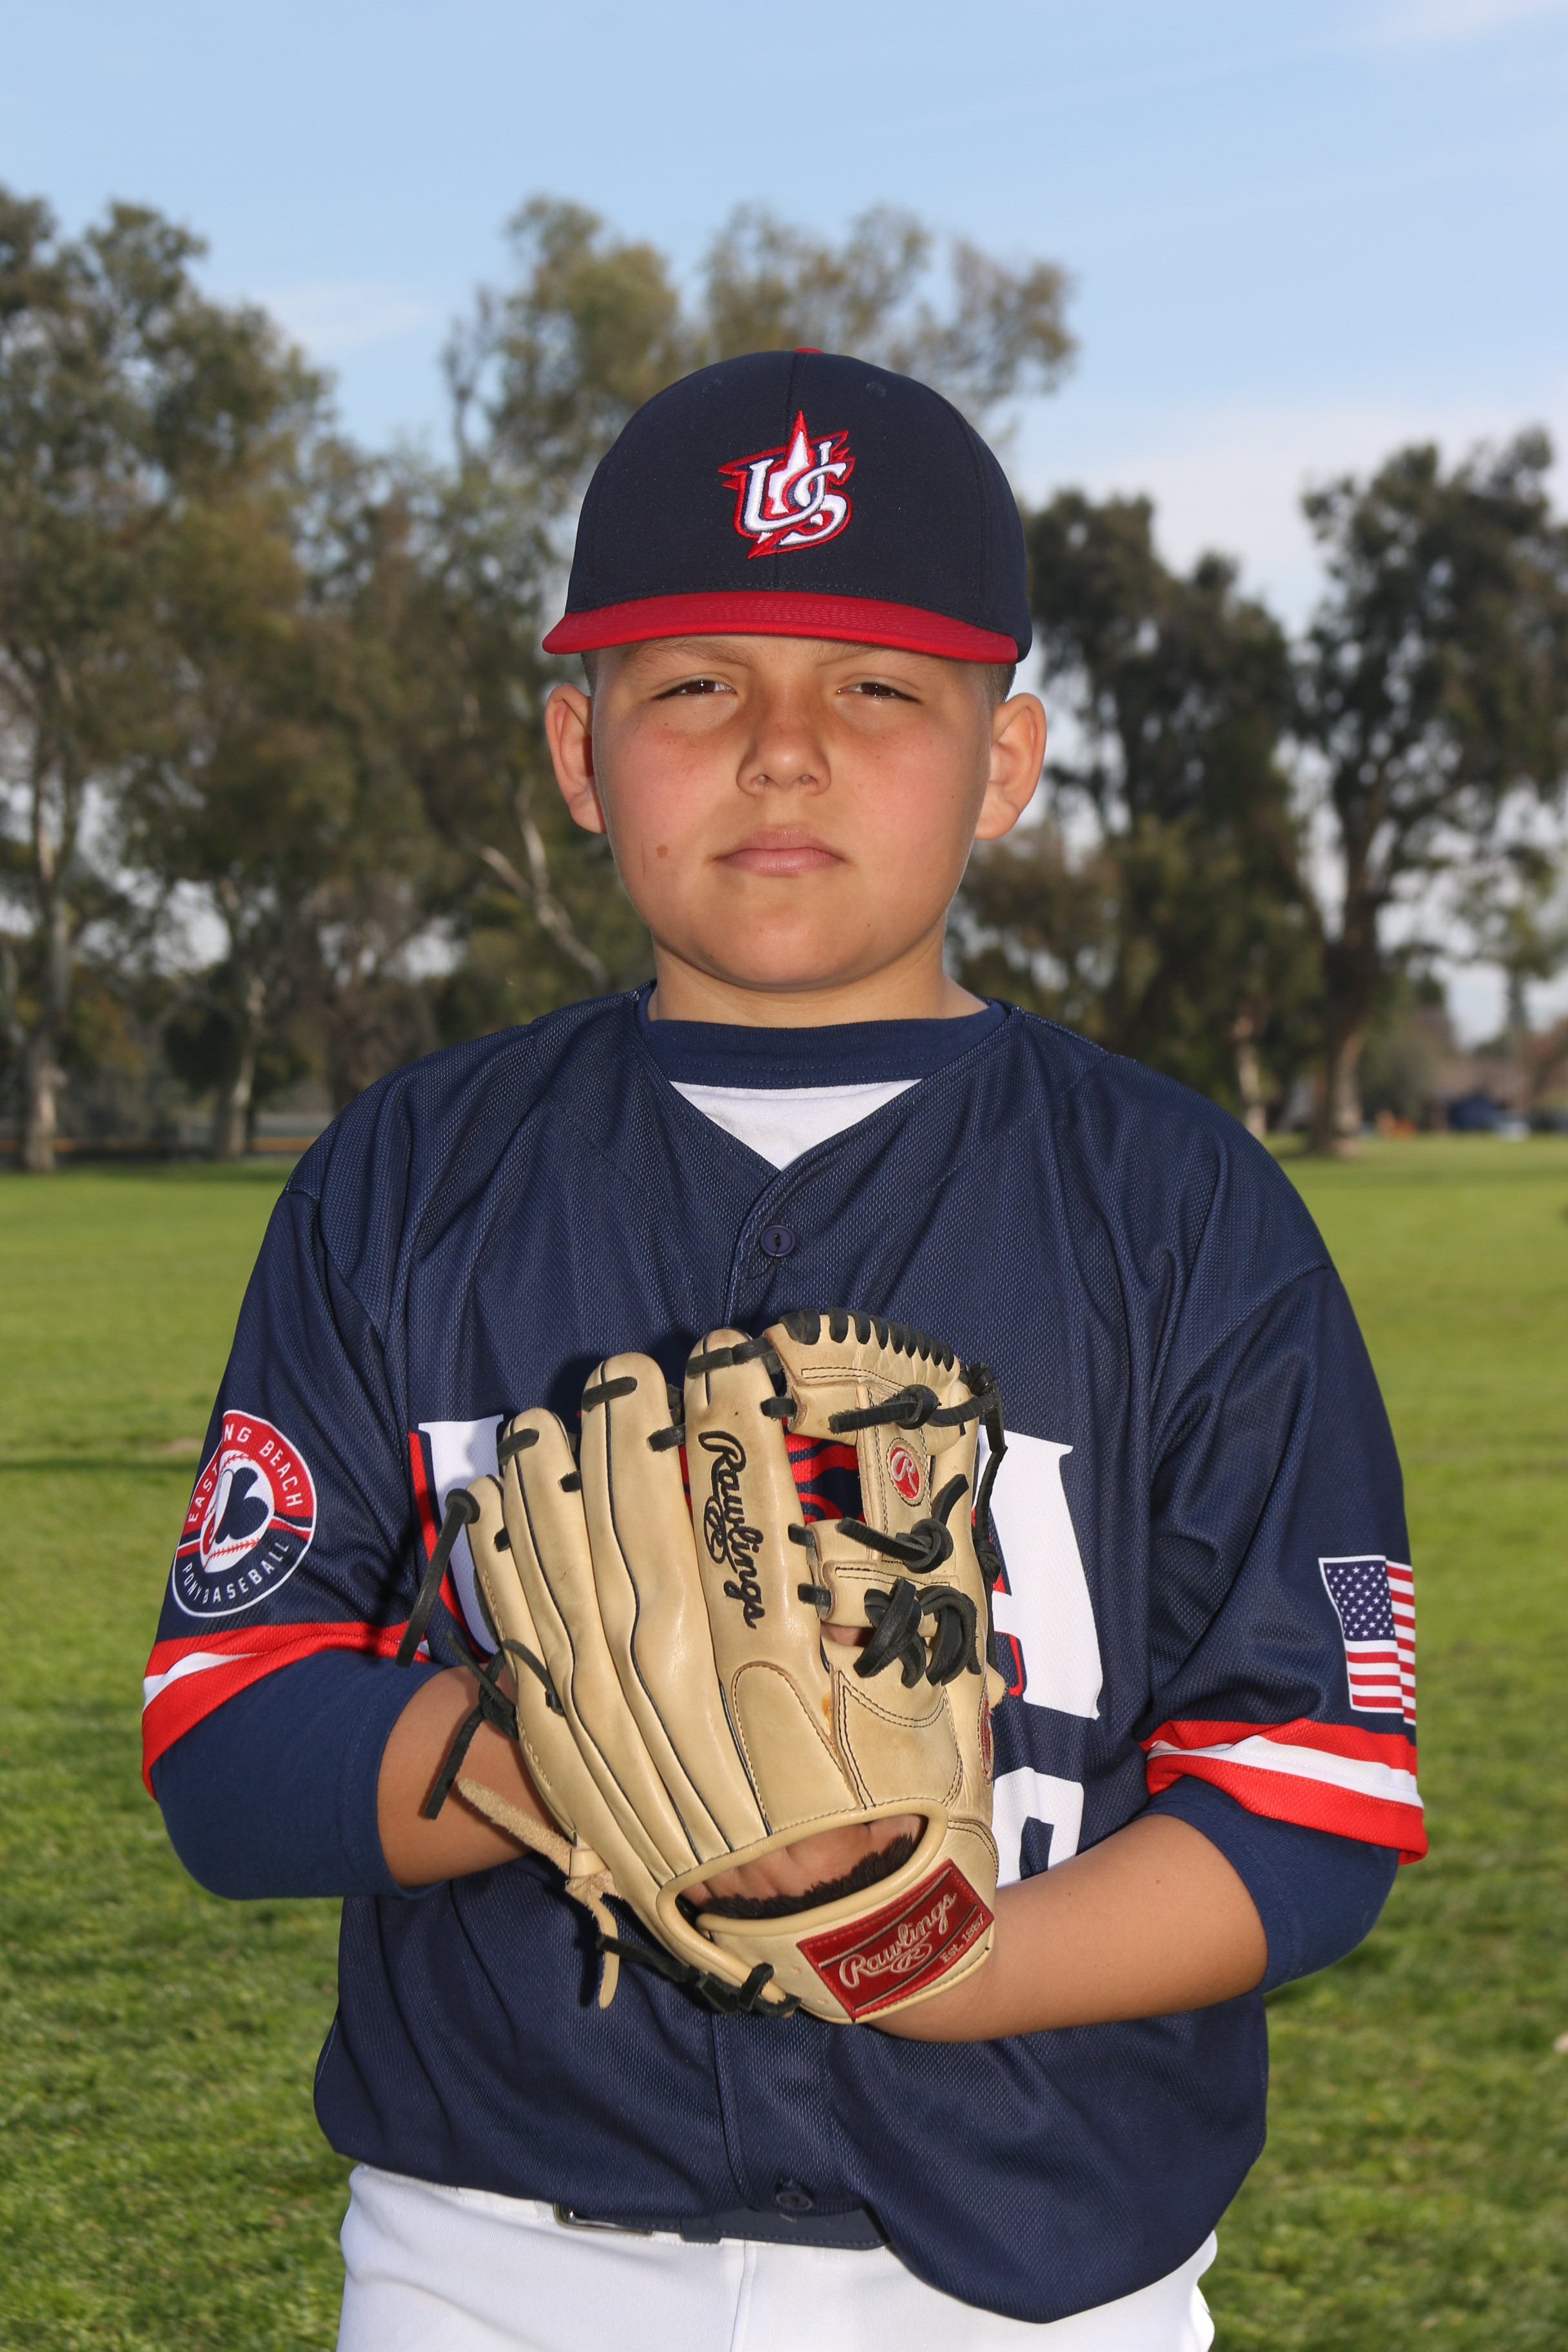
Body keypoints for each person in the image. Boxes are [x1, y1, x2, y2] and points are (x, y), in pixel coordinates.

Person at [144, 349, 1424, 2350]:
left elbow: (1316, 1792)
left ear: (1007, 763)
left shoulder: (1187, 1209)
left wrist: (941, 1961)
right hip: (498, 2257)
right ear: (582, 753)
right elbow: (225, 1735)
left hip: (1041, 2272)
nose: (783, 754)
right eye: (695, 686)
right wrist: (566, 1755)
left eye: (879, 689)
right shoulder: (407, 1176)